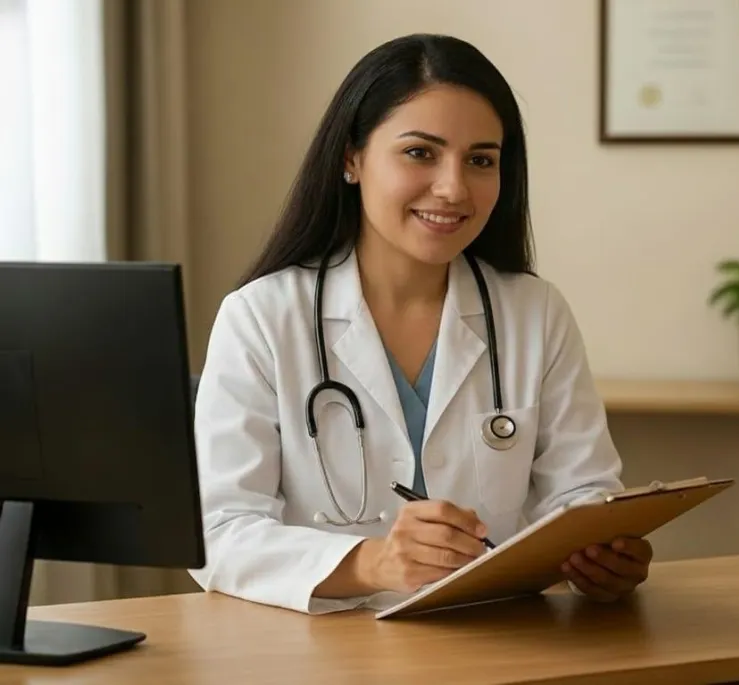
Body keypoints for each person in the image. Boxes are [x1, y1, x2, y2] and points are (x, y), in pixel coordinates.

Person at [188, 34, 652, 615]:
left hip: (497, 643)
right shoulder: (260, 318)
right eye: (420, 153)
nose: (454, 188)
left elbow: (585, 494)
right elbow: (217, 533)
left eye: (480, 160)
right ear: (351, 159)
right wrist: (371, 563)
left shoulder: (535, 312)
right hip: (322, 656)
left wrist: (602, 556)